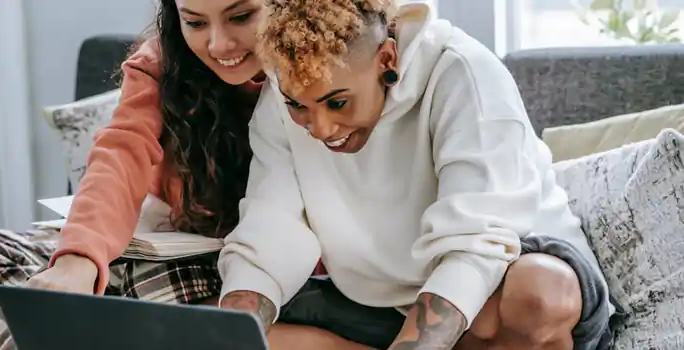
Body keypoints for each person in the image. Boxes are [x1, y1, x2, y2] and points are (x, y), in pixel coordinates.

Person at [0, 1, 359, 349]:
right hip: (157, 240)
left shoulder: (330, 72)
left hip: (243, 268)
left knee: (148, 291)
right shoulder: (161, 63)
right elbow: (120, 155)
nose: (218, 45)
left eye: (240, 16)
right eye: (195, 22)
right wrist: (75, 265)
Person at [214, 0, 620, 349]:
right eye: (298, 106)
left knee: (537, 295)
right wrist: (227, 334)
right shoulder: (282, 94)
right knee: (205, 325)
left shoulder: (462, 71)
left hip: (507, 274)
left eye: (337, 103)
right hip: (380, 302)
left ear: (387, 59)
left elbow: (477, 246)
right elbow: (271, 231)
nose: (319, 129)